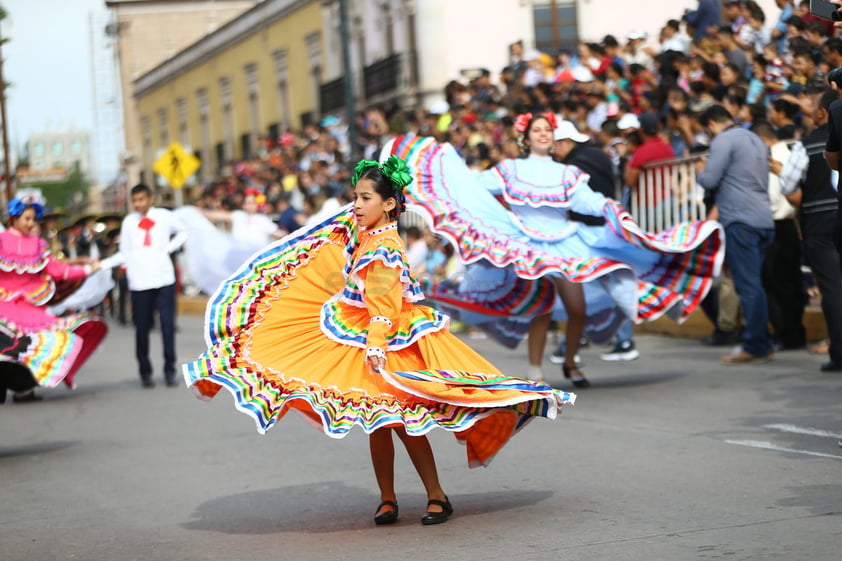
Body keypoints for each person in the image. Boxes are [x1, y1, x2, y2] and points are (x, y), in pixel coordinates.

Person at [182, 156, 575, 526]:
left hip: (387, 338)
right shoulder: (369, 234)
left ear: (388, 204)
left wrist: (375, 345)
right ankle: (388, 497)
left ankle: (436, 494)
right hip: (362, 329)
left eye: (364, 198)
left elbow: (384, 306)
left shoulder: (385, 246)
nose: (355, 204)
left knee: (405, 423)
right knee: (378, 423)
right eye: (354, 197)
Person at [383, 113, 724, 388]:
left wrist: (609, 208)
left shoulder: (568, 172)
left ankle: (572, 361)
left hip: (566, 242)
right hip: (526, 241)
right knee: (541, 307)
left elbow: (587, 201)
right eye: (538, 130)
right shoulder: (510, 169)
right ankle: (535, 369)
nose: (544, 134)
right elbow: (475, 188)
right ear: (526, 137)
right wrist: (447, 175)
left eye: (548, 130)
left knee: (576, 308)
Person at [0, 194, 108, 399]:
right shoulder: (1, 240)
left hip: (30, 308)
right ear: (14, 218)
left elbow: (59, 271)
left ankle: (24, 389)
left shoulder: (38, 244)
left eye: (33, 219)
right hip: (3, 304)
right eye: (27, 219)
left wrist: (86, 270)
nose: (31, 224)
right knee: (9, 347)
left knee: (35, 347)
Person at [549, 120, 639, 363]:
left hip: (586, 231)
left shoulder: (573, 165)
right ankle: (617, 340)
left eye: (555, 145)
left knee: (581, 284)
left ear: (566, 142)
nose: (553, 151)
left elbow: (576, 199)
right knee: (605, 284)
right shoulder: (598, 155)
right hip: (605, 227)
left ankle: (577, 343)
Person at [696, 105, 775, 363]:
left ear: (710, 124)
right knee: (755, 284)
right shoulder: (754, 137)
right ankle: (762, 341)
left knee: (748, 286)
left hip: (740, 220)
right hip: (764, 219)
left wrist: (700, 171)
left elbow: (709, 180)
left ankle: (754, 346)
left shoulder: (723, 140)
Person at [778, 89, 842, 371]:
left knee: (832, 289)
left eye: (813, 107)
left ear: (823, 113)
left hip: (819, 225)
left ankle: (839, 352)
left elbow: (786, 186)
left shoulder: (806, 146)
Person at [113, 184, 188, 388]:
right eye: (134, 200)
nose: (138, 204)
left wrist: (168, 248)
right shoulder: (129, 222)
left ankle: (169, 369)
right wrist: (103, 265)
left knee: (167, 326)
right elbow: (124, 252)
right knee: (142, 328)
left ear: (150, 199)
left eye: (142, 199)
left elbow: (183, 231)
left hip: (163, 279)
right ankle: (145, 371)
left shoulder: (163, 216)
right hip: (139, 282)